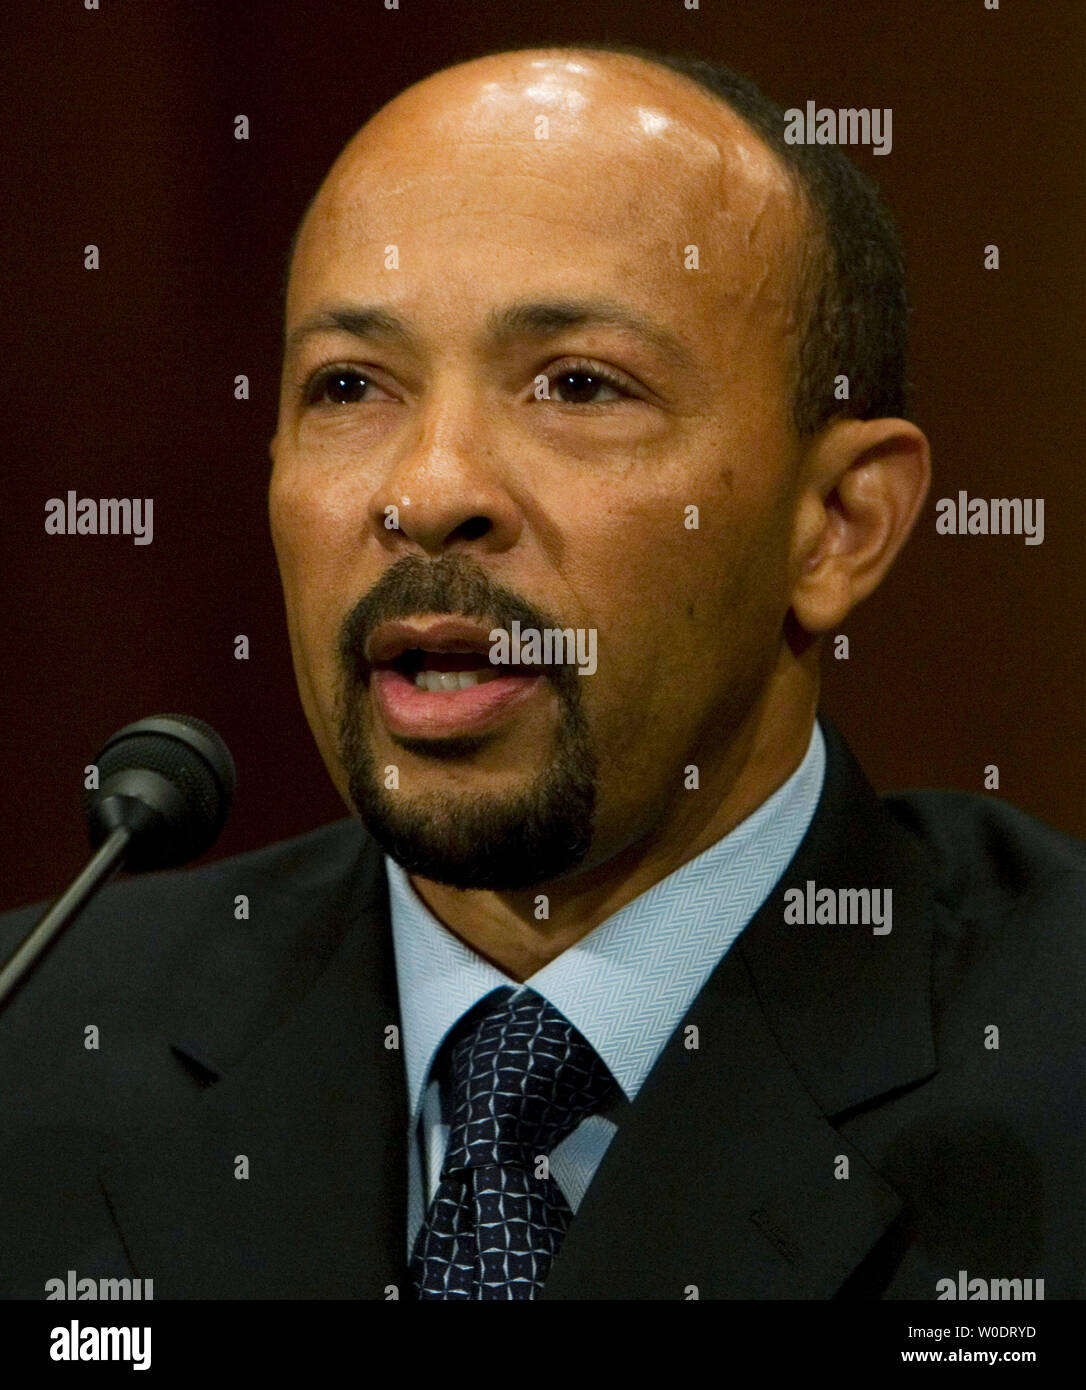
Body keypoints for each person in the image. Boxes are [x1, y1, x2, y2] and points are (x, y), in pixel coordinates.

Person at [1, 42, 1082, 1301]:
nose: (428, 490)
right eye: (350, 386)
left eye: (577, 384)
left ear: (836, 521)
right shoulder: (37, 1039)